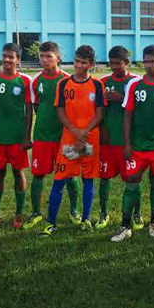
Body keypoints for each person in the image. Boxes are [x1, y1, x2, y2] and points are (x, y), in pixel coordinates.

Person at [111, 45, 154, 242]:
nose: (149, 65)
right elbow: (127, 115)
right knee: (131, 184)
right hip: (138, 146)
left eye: (153, 61)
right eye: (146, 61)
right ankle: (125, 225)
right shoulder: (133, 84)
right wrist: (127, 144)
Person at [40, 46, 105, 236]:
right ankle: (50, 222)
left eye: (84, 62)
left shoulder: (97, 85)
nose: (79, 65)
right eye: (77, 60)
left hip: (89, 140)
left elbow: (100, 113)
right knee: (59, 180)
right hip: (69, 140)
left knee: (88, 180)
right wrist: (75, 131)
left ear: (91, 65)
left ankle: (86, 219)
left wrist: (85, 131)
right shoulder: (63, 84)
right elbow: (60, 111)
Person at [24, 42, 79, 229]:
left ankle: (74, 210)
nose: (45, 60)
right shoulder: (35, 81)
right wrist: (28, 135)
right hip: (42, 136)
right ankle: (36, 212)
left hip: (65, 137)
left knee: (70, 175)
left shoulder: (68, 80)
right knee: (38, 175)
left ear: (58, 58)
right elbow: (35, 108)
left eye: (49, 56)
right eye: (42, 56)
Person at [0, 43, 32, 232]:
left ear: (18, 60)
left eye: (11, 57)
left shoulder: (25, 81)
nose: (7, 60)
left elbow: (29, 112)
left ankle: (19, 213)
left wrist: (27, 136)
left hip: (17, 138)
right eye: (4, 56)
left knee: (18, 173)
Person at [97, 46, 143, 231]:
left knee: (133, 179)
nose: (114, 66)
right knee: (104, 177)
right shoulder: (102, 82)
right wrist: (102, 129)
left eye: (118, 63)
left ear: (127, 63)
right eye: (112, 62)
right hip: (108, 139)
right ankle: (103, 212)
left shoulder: (135, 82)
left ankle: (137, 213)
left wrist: (122, 98)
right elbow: (98, 110)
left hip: (128, 141)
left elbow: (141, 112)